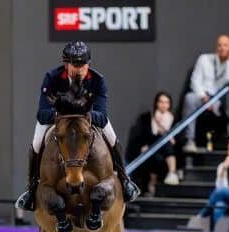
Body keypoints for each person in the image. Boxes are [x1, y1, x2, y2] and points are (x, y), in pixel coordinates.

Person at [15, 41, 140, 212]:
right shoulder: (52, 78)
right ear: (66, 64)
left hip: (87, 120)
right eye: (75, 64)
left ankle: (125, 181)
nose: (79, 69)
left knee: (112, 139)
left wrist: (83, 115)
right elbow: (43, 113)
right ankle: (31, 189)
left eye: (83, 65)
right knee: (36, 144)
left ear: (89, 64)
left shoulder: (97, 80)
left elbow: (102, 116)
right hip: (57, 120)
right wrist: (63, 116)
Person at [183, 35, 229, 152]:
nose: (222, 48)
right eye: (220, 45)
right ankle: (189, 140)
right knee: (189, 98)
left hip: (222, 100)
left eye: (225, 45)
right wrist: (203, 97)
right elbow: (195, 81)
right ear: (216, 47)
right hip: (205, 96)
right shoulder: (204, 59)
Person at [126, 91, 179, 196]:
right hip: (150, 149)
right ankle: (167, 175)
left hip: (166, 151)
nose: (164, 105)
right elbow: (141, 135)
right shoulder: (147, 117)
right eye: (161, 102)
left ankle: (166, 175)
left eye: (166, 102)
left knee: (164, 141)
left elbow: (177, 140)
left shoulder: (173, 119)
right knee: (156, 156)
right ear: (156, 103)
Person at [192, 138, 229, 227]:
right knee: (219, 205)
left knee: (221, 192)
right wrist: (224, 169)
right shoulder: (222, 166)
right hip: (228, 197)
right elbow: (219, 187)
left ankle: (201, 216)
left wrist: (227, 189)